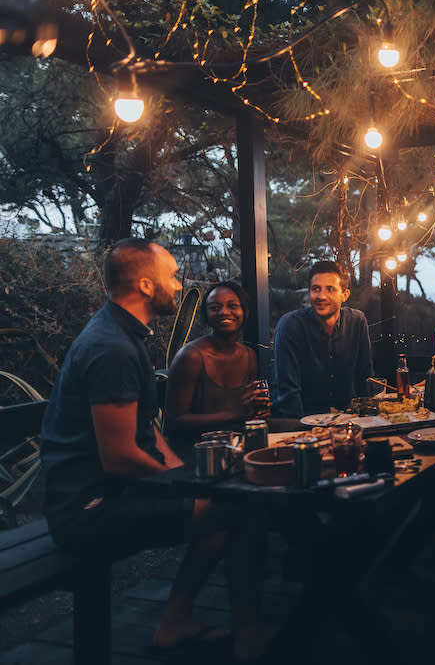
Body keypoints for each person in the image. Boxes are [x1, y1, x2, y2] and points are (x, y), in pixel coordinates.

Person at [39, 238, 273, 661]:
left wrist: (188, 474)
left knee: (226, 504)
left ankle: (177, 620)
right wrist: (185, 488)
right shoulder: (111, 347)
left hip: (107, 494)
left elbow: (147, 427)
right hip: (88, 509)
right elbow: (120, 457)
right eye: (172, 276)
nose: (180, 285)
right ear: (146, 285)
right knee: (241, 510)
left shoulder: (122, 335)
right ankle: (249, 632)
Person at [164, 281, 269, 450]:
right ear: (206, 315)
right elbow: (174, 422)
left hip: (236, 447)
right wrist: (235, 415)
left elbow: (245, 413)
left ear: (245, 311)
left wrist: (257, 413)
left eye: (233, 306)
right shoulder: (191, 356)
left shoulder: (249, 356)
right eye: (214, 307)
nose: (224, 312)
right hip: (197, 454)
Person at [273, 261, 374, 417]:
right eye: (315, 289)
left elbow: (365, 378)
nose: (321, 296)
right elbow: (289, 393)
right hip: (302, 422)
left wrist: (369, 422)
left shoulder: (357, 321)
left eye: (330, 289)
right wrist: (304, 434)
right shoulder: (290, 325)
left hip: (346, 420)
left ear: (344, 295)